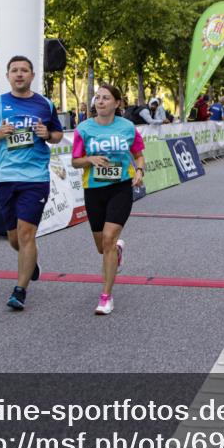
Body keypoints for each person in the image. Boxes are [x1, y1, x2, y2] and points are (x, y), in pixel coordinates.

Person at [0, 55, 64, 311]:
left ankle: (20, 290)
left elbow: (57, 135)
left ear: (32, 75)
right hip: (5, 178)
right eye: (14, 70)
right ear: (8, 76)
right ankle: (31, 260)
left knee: (26, 233)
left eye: (24, 70)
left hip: (35, 178)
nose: (19, 74)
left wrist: (47, 134)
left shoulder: (44, 104)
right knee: (14, 238)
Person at [72, 84, 145, 315]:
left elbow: (139, 155)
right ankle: (117, 252)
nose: (100, 102)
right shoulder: (83, 129)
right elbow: (75, 161)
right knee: (101, 246)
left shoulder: (128, 128)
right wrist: (89, 159)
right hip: (93, 189)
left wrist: (140, 172)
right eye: (98, 98)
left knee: (109, 238)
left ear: (117, 103)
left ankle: (106, 297)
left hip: (120, 188)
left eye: (106, 98)